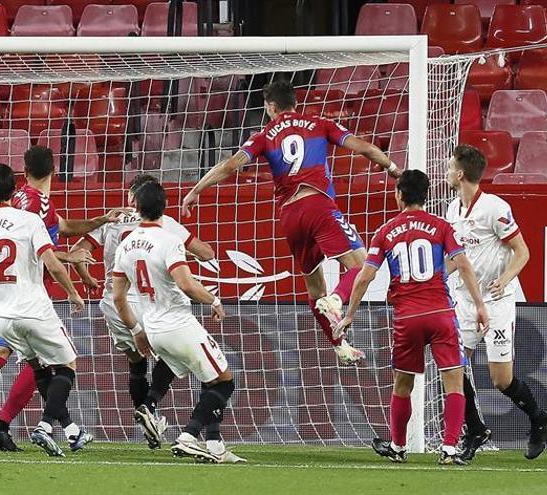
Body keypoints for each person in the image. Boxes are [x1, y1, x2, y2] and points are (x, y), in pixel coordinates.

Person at [181, 80, 402, 365]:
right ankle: (336, 301)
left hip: (290, 217)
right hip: (318, 204)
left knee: (314, 289)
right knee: (362, 266)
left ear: (272, 107)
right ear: (294, 103)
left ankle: (340, 346)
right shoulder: (320, 123)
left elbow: (230, 166)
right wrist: (394, 168)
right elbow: (364, 148)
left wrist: (196, 189)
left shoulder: (263, 135)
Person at [0, 147, 118, 452]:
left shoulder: (13, 207)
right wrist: (71, 274)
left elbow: (63, 227)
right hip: (28, 301)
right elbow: (38, 250)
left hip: (1, 306)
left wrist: (101, 220)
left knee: (20, 364)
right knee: (57, 363)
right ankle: (22, 425)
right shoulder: (31, 207)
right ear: (53, 170)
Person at [335, 170, 488, 465]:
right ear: (427, 195)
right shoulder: (441, 226)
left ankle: (398, 446)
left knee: (402, 385)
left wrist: (350, 314)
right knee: (453, 383)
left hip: (407, 317)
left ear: (400, 195)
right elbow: (464, 266)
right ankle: (449, 449)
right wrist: (480, 305)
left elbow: (365, 276)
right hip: (441, 313)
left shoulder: (385, 230)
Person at [0, 163, 86, 457]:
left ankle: (68, 429)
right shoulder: (29, 220)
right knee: (67, 365)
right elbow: (52, 263)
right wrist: (74, 293)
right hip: (32, 308)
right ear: (15, 188)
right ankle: (45, 427)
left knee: (34, 366)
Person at [70, 173, 215, 449]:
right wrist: (186, 252)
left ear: (132, 197)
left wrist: (87, 278)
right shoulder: (166, 223)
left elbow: (78, 251)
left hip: (115, 303)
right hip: (149, 302)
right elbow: (205, 253)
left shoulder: (111, 220)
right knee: (175, 356)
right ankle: (149, 406)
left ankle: (149, 426)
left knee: (136, 363)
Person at [113, 181, 245, 464]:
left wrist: (137, 331)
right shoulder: (169, 240)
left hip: (153, 328)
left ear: (137, 207)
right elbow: (186, 284)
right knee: (224, 382)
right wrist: (214, 300)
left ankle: (214, 444)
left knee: (187, 370)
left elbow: (118, 299)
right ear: (164, 208)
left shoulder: (125, 246)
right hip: (178, 323)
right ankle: (188, 437)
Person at [444, 145, 547, 461]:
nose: (446, 172)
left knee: (501, 379)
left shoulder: (494, 208)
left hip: (496, 301)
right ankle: (475, 429)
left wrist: (504, 280)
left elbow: (523, 252)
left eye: (450, 168)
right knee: (452, 365)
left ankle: (539, 419)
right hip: (464, 299)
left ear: (460, 174)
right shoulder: (451, 209)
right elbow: (456, 257)